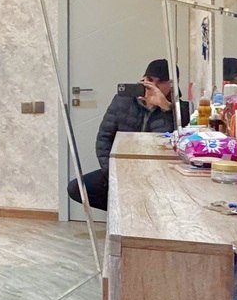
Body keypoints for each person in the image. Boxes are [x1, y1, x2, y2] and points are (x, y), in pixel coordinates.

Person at [66, 58, 191, 211]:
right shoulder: (123, 100)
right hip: (121, 170)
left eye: (159, 82)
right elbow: (104, 138)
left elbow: (178, 142)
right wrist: (111, 172)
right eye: (149, 79)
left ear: (172, 85)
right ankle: (123, 211)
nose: (153, 86)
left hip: (158, 174)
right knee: (76, 188)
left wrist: (165, 107)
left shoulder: (181, 111)